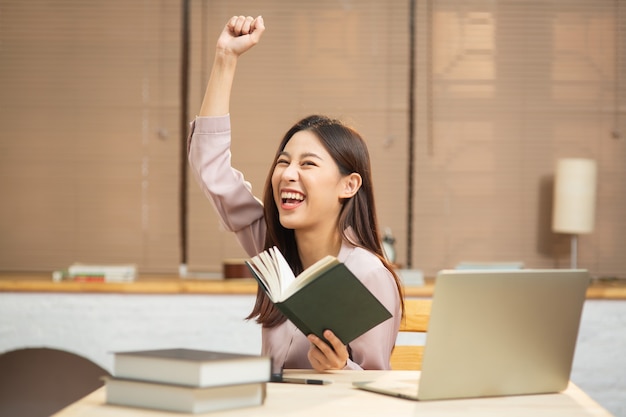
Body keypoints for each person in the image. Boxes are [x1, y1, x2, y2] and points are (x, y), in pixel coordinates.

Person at [188, 15, 403, 371]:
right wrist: (226, 58)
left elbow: (375, 389)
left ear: (348, 185)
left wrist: (341, 369)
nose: (287, 174)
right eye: (284, 162)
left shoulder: (367, 275)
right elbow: (211, 170)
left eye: (308, 164)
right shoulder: (274, 250)